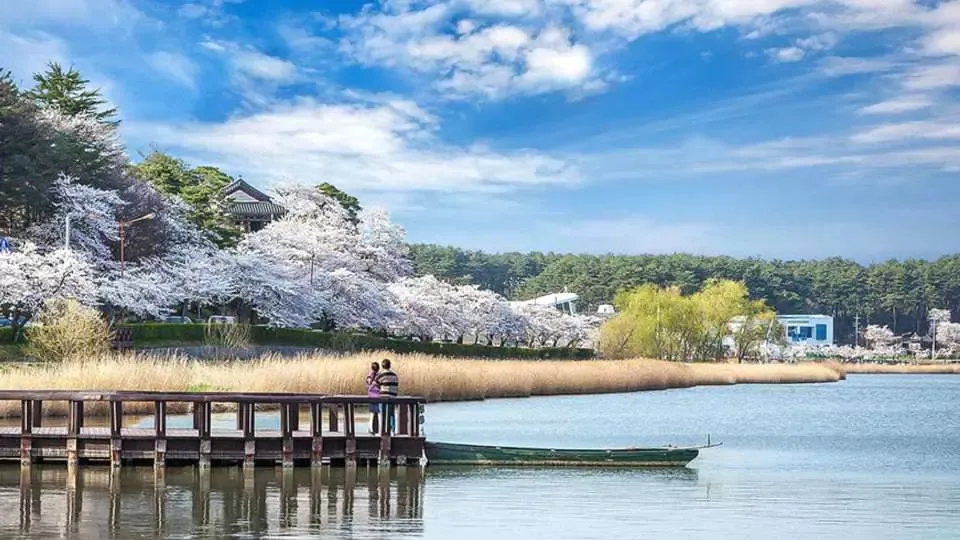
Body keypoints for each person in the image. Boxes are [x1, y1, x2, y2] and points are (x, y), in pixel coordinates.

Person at [375, 358, 399, 434]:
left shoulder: (381, 375)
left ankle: (383, 430)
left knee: (382, 414)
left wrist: (380, 387)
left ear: (382, 366)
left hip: (384, 397)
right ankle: (393, 430)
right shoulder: (395, 375)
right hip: (393, 397)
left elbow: (375, 383)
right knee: (391, 414)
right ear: (389, 366)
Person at [365, 361, 380, 434]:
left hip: (371, 396)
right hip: (378, 396)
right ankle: (378, 429)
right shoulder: (380, 376)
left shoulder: (369, 377)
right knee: (378, 413)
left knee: (372, 413)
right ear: (378, 368)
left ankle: (370, 429)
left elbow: (368, 384)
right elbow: (380, 385)